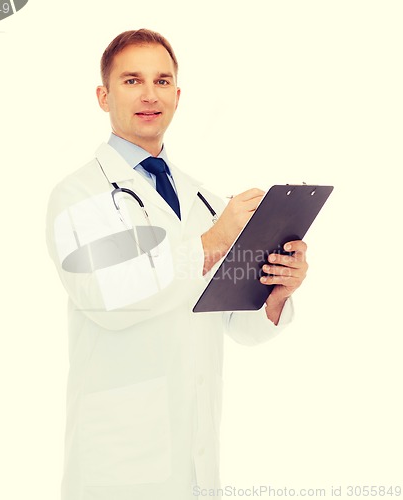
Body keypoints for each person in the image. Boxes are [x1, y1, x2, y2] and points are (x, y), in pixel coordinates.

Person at [46, 29, 308, 500]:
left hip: (196, 455)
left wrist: (275, 291)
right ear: (103, 96)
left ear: (178, 95)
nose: (150, 95)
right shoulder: (78, 195)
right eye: (132, 81)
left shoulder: (203, 197)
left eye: (162, 81)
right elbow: (106, 298)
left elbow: (236, 324)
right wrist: (214, 240)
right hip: (118, 463)